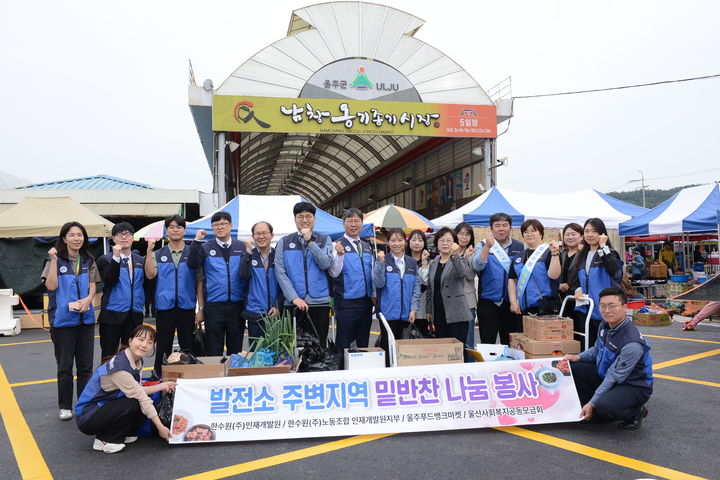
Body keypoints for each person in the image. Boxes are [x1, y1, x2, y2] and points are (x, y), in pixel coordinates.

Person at [75, 324, 176, 453]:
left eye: (149, 342)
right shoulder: (120, 368)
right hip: (87, 417)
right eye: (140, 339)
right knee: (134, 402)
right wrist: (160, 428)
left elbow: (137, 389)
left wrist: (162, 386)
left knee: (136, 400)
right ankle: (105, 440)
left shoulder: (136, 360)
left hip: (103, 408)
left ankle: (125, 432)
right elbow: (141, 397)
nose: (144, 345)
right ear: (130, 340)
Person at [564, 287, 653, 430]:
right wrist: (577, 357)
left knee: (604, 407)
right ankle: (594, 406)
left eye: (612, 306)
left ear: (625, 308)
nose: (607, 311)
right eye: (603, 306)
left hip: (633, 385)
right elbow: (596, 349)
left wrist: (592, 403)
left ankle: (635, 411)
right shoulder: (605, 325)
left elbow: (613, 377)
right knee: (571, 368)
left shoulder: (632, 343)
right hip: (606, 374)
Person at [42, 221, 99, 421]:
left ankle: (83, 404)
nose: (76, 238)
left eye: (80, 235)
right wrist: (54, 260)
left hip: (86, 320)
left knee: (85, 366)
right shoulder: (53, 260)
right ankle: (65, 406)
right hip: (62, 322)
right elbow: (51, 286)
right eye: (72, 235)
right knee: (65, 366)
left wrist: (88, 300)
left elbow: (93, 285)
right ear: (64, 238)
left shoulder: (88, 260)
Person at [144, 215, 203, 377]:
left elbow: (199, 282)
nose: (175, 230)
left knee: (188, 347)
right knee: (163, 346)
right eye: (171, 227)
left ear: (184, 230)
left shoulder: (193, 252)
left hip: (187, 307)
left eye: (179, 227)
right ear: (166, 230)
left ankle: (189, 378)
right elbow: (150, 274)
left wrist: (200, 308)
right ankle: (159, 376)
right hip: (165, 307)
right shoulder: (158, 254)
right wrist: (148, 252)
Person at [187, 212, 247, 356]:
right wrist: (196, 241)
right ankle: (216, 371)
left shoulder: (242, 246)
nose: (219, 227)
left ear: (230, 225)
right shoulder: (205, 247)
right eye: (215, 225)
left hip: (237, 305)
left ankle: (233, 371)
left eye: (223, 224)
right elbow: (192, 264)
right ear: (212, 228)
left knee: (235, 350)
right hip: (214, 306)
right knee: (213, 350)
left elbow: (247, 273)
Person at [275, 202, 334, 345]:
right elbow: (280, 272)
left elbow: (326, 264)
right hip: (294, 304)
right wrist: (293, 297)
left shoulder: (324, 239)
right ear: (295, 219)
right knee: (293, 345)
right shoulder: (284, 242)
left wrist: (310, 241)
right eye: (300, 217)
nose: (305, 220)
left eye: (308, 216)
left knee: (319, 344)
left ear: (314, 218)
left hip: (319, 302)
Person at [472, 213, 525, 344]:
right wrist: (487, 247)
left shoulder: (520, 247)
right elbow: (477, 266)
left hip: (511, 303)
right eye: (497, 225)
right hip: (488, 302)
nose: (501, 229)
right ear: (491, 228)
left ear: (510, 228)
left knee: (509, 343)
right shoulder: (482, 245)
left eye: (505, 225)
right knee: (487, 342)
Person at [96, 222, 146, 360]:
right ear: (113, 238)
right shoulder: (105, 260)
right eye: (119, 234)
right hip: (112, 314)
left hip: (134, 314)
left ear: (133, 237)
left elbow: (147, 285)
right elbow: (110, 281)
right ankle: (107, 375)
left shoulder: (140, 260)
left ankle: (131, 375)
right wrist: (116, 258)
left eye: (127, 234)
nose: (124, 237)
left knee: (132, 354)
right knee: (109, 355)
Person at [572, 218, 623, 348]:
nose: (590, 235)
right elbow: (579, 279)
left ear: (602, 233)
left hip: (605, 309)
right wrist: (578, 289)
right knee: (588, 346)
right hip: (586, 308)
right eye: (587, 231)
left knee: (606, 347)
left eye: (594, 231)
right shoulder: (582, 255)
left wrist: (603, 247)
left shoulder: (609, 252)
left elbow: (614, 270)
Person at [329, 208, 374, 353]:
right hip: (346, 302)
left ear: (362, 224)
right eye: (350, 221)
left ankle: (361, 367)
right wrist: (340, 255)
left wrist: (374, 297)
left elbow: (371, 274)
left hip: (366, 302)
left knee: (363, 343)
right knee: (344, 343)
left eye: (357, 221)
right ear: (343, 224)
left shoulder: (366, 247)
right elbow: (333, 273)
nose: (353, 225)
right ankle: (341, 367)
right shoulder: (336, 245)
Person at [373, 228, 422, 355]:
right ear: (388, 242)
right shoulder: (383, 260)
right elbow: (378, 284)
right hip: (387, 313)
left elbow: (416, 288)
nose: (397, 244)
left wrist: (413, 309)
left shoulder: (412, 263)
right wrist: (380, 263)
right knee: (387, 348)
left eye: (400, 240)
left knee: (403, 350)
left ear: (405, 242)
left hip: (407, 314)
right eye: (393, 240)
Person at [426, 227, 472, 350]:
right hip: (439, 314)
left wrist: (455, 255)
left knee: (458, 350)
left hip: (457, 314)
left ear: (454, 243)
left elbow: (461, 274)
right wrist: (429, 310)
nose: (445, 243)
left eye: (448, 240)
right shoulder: (433, 263)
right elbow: (430, 288)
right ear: (437, 243)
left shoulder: (459, 259)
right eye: (441, 240)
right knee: (443, 349)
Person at [508, 219, 561, 315]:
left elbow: (554, 275)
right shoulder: (518, 257)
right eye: (526, 232)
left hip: (545, 307)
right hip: (523, 307)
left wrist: (554, 254)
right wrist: (513, 301)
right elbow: (512, 279)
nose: (529, 234)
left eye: (533, 231)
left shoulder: (549, 252)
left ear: (541, 233)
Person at [240, 221, 280, 342]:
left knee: (276, 350)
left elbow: (285, 285)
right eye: (257, 233)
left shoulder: (279, 256)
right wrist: (248, 252)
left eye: (264, 233)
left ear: (272, 235)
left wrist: (278, 306)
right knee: (256, 351)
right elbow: (243, 275)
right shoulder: (248, 255)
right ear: (253, 236)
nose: (261, 236)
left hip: (276, 313)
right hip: (255, 314)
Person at [454, 222, 477, 355]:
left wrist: (467, 258)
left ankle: (469, 365)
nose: (464, 237)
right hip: (451, 300)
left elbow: (469, 276)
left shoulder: (473, 253)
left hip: (468, 300)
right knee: (453, 339)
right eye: (461, 233)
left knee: (468, 340)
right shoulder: (449, 251)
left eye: (467, 234)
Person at [406, 230, 430, 336]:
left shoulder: (430, 262)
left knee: (421, 336)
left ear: (424, 243)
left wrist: (424, 262)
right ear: (408, 242)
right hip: (405, 305)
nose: (416, 243)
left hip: (422, 307)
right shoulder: (402, 260)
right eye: (414, 239)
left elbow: (426, 283)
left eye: (420, 240)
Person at [559, 223, 583, 316]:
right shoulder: (560, 254)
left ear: (581, 237)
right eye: (567, 234)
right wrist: (559, 285)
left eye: (573, 234)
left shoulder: (584, 254)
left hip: (579, 299)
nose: (570, 237)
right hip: (562, 299)